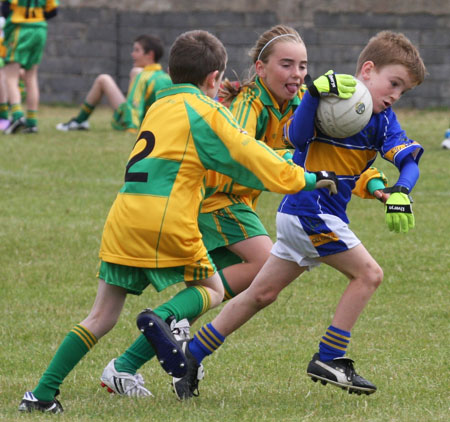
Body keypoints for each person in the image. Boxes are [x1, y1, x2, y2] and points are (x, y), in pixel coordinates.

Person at [18, 29, 340, 414]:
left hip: (123, 216)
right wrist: (303, 178)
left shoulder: (158, 105)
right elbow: (246, 153)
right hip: (166, 216)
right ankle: (163, 319)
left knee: (100, 316)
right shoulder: (209, 110)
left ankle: (40, 395)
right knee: (215, 289)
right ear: (214, 79)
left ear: (169, 71)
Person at [98, 25, 389, 401]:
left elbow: (330, 158)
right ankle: (167, 318)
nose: (297, 74)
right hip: (217, 200)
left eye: (303, 65)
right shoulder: (248, 103)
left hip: (234, 206)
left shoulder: (303, 104)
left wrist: (373, 184)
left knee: (216, 291)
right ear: (260, 68)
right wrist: (293, 167)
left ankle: (123, 366)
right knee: (259, 264)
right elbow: (244, 154)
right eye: (286, 65)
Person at [56, 34, 172, 133]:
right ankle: (80, 122)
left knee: (104, 79)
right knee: (103, 79)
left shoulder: (140, 74)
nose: (132, 54)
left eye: (137, 50)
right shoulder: (166, 77)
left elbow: (134, 104)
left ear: (150, 55)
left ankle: (80, 120)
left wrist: (131, 127)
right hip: (156, 123)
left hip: (137, 121)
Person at [1, 0, 58, 134]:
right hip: (40, 29)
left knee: (11, 75)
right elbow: (53, 11)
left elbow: (5, 9)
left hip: (20, 28)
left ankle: (17, 117)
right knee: (31, 76)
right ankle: (32, 123)